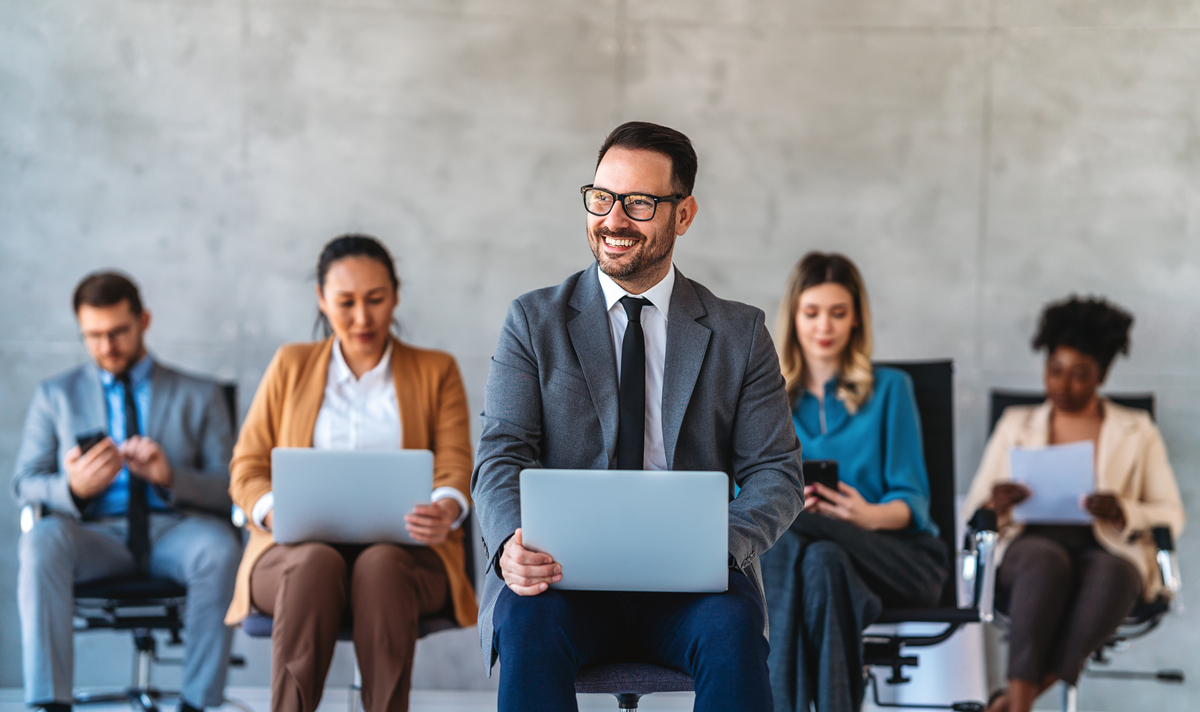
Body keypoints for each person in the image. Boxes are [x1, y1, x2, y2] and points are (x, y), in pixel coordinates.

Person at [471, 121, 804, 712]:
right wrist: (507, 546)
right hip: (562, 578)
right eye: (602, 198)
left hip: (693, 587)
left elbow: (776, 473)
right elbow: (501, 454)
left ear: (683, 214)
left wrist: (714, 544)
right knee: (527, 622)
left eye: (640, 203)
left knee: (733, 627)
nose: (614, 220)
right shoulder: (533, 320)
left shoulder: (739, 332)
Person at [224, 234, 478, 712]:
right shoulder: (290, 365)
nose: (362, 318)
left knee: (380, 566)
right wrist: (275, 511)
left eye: (376, 300)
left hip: (407, 556)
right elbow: (247, 466)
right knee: (314, 563)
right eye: (345, 303)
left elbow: (455, 464)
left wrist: (446, 506)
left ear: (396, 294)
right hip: (293, 555)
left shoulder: (435, 370)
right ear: (322, 299)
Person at [14, 272, 241, 712]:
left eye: (118, 332)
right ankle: (49, 704)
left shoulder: (201, 394)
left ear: (144, 321)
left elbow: (232, 489)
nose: (107, 346)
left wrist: (170, 476)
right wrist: (73, 488)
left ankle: (197, 703)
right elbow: (24, 483)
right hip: (95, 535)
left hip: (175, 531)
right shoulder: (55, 396)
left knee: (221, 549)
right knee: (41, 540)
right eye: (93, 336)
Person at [963, 295, 1185, 712]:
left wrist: (1124, 511)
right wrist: (997, 503)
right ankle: (1022, 704)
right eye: (1055, 371)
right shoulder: (1016, 424)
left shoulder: (1137, 430)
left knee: (1117, 575)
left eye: (1080, 375)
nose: (1063, 385)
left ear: (1102, 375)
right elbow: (973, 510)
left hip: (1105, 545)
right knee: (1045, 562)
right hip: (1029, 544)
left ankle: (1013, 703)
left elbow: (1171, 514)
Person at [758, 253, 948, 712]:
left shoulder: (891, 390)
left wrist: (865, 514)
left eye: (838, 313)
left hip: (901, 560)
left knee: (788, 521)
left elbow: (912, 498)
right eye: (812, 313)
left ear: (856, 319)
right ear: (794, 318)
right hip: (824, 567)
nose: (825, 326)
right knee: (821, 559)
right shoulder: (767, 399)